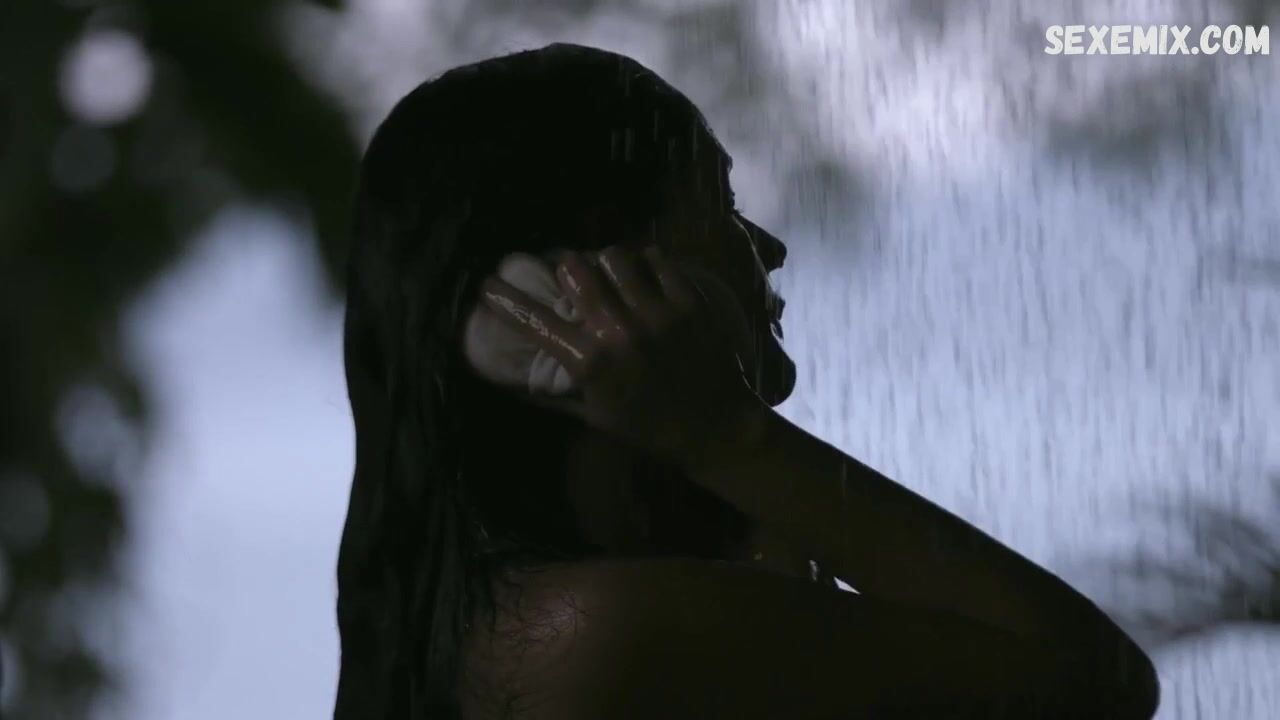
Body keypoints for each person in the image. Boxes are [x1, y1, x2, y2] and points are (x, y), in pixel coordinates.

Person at [333, 43, 1159, 720]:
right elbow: (1093, 684)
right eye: (723, 206)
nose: (768, 247)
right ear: (571, 294)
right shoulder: (588, 633)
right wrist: (729, 439)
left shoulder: (536, 606)